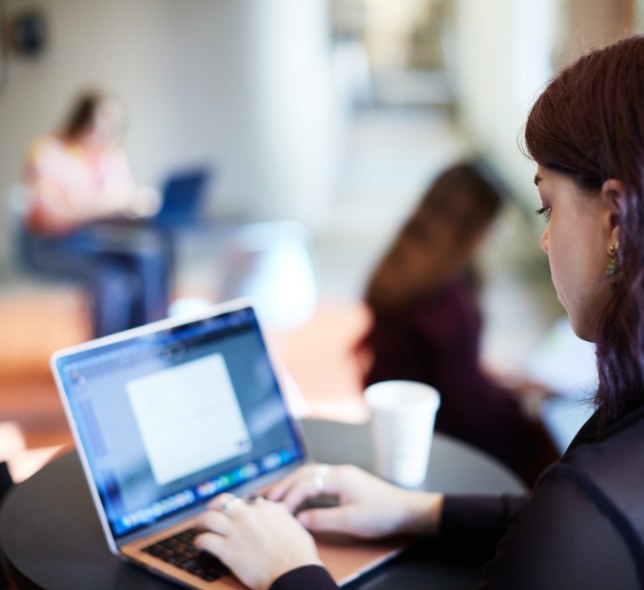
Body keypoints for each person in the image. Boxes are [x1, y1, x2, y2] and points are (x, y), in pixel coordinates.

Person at [192, 35, 644, 589]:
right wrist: (414, 510)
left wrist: (291, 571)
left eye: (547, 207)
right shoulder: (592, 499)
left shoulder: (585, 511)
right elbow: (549, 518)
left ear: (616, 224)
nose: (545, 240)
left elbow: (564, 526)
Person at [355, 161, 560, 487]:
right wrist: (519, 404)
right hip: (439, 436)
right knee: (546, 439)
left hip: (395, 418)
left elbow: (439, 368)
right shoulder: (450, 300)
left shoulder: (398, 265)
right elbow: (469, 407)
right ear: (475, 228)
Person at [21, 90, 172, 337]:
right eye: (103, 119)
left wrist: (134, 205)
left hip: (97, 242)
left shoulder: (111, 156)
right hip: (52, 244)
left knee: (150, 254)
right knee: (110, 279)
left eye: (116, 124)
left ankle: (149, 340)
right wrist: (106, 205)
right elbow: (47, 217)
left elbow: (121, 199)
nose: (109, 130)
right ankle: (106, 358)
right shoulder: (48, 151)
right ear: (83, 119)